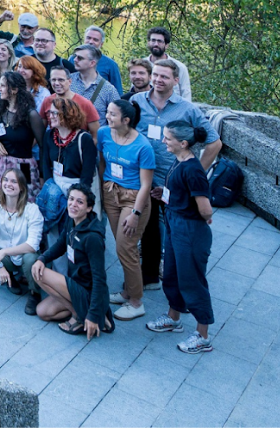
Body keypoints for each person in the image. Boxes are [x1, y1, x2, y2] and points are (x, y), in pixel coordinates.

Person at [132, 59, 221, 293]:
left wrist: (193, 173)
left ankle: (183, 284)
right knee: (149, 231)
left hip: (175, 182)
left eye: (164, 77)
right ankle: (150, 277)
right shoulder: (136, 101)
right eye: (156, 75)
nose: (158, 80)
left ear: (175, 80)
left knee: (178, 233)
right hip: (145, 178)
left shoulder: (187, 109)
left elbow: (214, 143)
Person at [147, 123, 217, 353]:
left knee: (192, 281)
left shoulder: (193, 170)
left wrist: (200, 217)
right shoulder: (179, 161)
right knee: (172, 275)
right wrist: (165, 195)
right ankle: (173, 317)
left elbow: (206, 209)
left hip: (190, 232)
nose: (164, 141)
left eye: (168, 138)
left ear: (183, 143)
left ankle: (202, 335)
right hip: (175, 224)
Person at [99, 98, 156, 321]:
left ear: (126, 120)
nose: (107, 116)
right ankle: (126, 292)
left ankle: (136, 301)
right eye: (108, 112)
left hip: (132, 199)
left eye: (112, 114)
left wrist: (136, 214)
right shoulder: (104, 134)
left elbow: (146, 185)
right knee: (122, 245)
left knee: (126, 247)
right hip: (110, 193)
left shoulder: (143, 146)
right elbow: (102, 162)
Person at [31, 185, 113, 336]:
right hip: (75, 284)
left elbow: (99, 278)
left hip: (87, 291)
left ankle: (87, 316)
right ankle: (81, 314)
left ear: (89, 208)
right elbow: (60, 245)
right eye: (71, 199)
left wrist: (93, 315)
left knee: (40, 274)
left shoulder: (93, 237)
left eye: (80, 202)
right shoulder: (72, 220)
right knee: (42, 312)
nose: (73, 204)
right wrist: (42, 258)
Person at [0, 167, 45, 314]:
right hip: (7, 258)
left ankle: (34, 293)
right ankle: (9, 277)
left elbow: (32, 245)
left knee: (31, 260)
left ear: (21, 187)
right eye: (6, 180)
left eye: (14, 181)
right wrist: (0, 265)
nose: (9, 184)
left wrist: (3, 252)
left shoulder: (32, 210)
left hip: (24, 255)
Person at [0, 70, 43, 202]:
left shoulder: (31, 115)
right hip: (0, 164)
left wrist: (43, 175)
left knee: (23, 203)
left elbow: (43, 146)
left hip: (22, 165)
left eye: (2, 86)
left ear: (14, 90)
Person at [39, 96, 97, 193]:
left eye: (55, 113)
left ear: (67, 115)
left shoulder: (84, 139)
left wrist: (79, 195)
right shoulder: (49, 135)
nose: (50, 116)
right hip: (54, 188)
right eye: (50, 112)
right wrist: (50, 188)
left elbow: (87, 174)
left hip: (77, 189)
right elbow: (45, 164)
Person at [41, 67, 99, 133]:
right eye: (53, 80)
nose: (56, 83)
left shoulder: (85, 104)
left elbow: (95, 135)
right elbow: (40, 130)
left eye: (61, 80)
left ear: (70, 81)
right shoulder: (47, 101)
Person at [71, 44, 120, 119]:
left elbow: (117, 117)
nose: (75, 60)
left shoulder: (108, 89)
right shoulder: (67, 81)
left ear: (92, 63)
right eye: (75, 56)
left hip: (96, 130)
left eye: (80, 58)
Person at [146, 27, 191, 99]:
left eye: (160, 41)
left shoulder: (179, 67)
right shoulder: (142, 66)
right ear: (149, 42)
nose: (156, 44)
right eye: (153, 40)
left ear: (166, 45)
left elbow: (186, 94)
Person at [79, 26, 123, 92]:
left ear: (101, 44)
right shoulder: (73, 59)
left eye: (95, 40)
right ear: (84, 40)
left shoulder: (110, 65)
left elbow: (118, 92)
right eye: (88, 38)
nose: (91, 42)